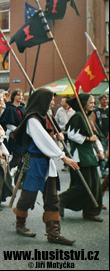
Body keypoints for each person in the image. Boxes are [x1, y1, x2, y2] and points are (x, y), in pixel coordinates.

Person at [12, 88, 79, 245]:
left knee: (52, 198)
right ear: (42, 100)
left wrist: (58, 136)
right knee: (28, 197)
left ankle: (54, 232)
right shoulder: (32, 120)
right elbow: (42, 140)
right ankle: (20, 223)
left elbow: (49, 138)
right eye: (50, 99)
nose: (52, 102)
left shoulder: (44, 117)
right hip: (34, 163)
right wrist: (62, 156)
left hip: (46, 162)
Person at [59, 93, 105, 222]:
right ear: (84, 103)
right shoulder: (77, 117)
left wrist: (100, 150)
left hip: (91, 156)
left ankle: (90, 211)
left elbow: (95, 136)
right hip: (80, 156)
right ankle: (60, 200)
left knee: (94, 185)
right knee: (83, 185)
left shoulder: (88, 118)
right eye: (91, 102)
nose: (93, 105)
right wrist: (87, 138)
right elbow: (72, 134)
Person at [0, 89, 26, 172]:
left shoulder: (23, 108)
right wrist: (17, 130)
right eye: (18, 95)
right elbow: (6, 123)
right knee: (17, 158)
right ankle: (6, 171)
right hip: (15, 135)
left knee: (23, 159)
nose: (20, 97)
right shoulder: (9, 108)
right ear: (14, 96)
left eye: (21, 95)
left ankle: (19, 179)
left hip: (23, 136)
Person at [93, 94, 108, 174]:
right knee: (103, 152)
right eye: (103, 99)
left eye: (106, 99)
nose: (105, 100)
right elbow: (93, 122)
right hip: (101, 135)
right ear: (99, 100)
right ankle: (104, 170)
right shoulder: (96, 111)